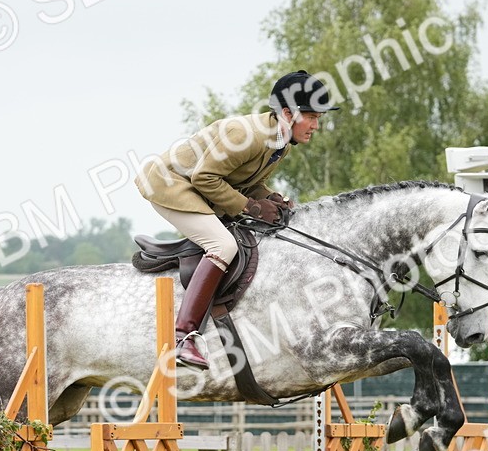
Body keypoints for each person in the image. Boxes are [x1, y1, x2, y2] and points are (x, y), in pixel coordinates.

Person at [137, 70, 339, 368]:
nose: (316, 125)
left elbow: (243, 179)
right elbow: (204, 177)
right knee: (223, 245)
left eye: (318, 117)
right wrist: (252, 208)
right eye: (310, 116)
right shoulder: (248, 136)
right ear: (287, 112)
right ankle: (182, 338)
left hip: (197, 184)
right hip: (168, 184)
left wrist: (270, 197)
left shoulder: (279, 141)